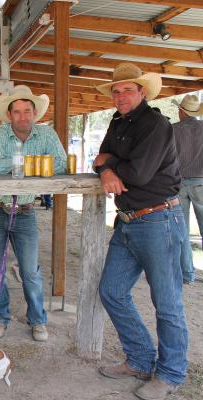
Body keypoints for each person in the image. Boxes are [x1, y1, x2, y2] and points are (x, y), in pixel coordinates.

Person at [93, 63, 188, 400]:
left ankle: (171, 373)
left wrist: (108, 164)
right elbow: (99, 158)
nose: (121, 96)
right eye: (116, 91)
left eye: (128, 90)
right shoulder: (117, 121)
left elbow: (139, 174)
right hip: (129, 220)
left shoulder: (156, 124)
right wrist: (106, 169)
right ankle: (141, 360)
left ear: (142, 92)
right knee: (111, 291)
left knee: (167, 302)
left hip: (159, 219)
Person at [0, 85, 67, 341]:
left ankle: (38, 319)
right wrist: (35, 162)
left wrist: (19, 164)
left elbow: (61, 163)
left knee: (31, 271)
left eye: (27, 111)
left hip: (26, 210)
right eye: (16, 112)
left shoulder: (46, 133)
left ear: (34, 113)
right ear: (9, 115)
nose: (22, 116)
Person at [173, 94, 203, 284]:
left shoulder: (172, 130)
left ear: (181, 111)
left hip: (178, 183)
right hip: (201, 181)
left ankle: (187, 274)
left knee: (181, 231)